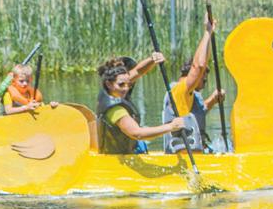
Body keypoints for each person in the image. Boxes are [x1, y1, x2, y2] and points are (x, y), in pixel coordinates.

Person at [162, 18, 225, 154]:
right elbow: (199, 66)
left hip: (198, 154)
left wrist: (213, 100)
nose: (205, 80)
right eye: (203, 77)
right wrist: (207, 31)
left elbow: (196, 114)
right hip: (184, 158)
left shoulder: (190, 94)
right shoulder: (179, 90)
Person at [96, 59, 185, 155]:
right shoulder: (116, 110)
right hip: (117, 159)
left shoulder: (110, 94)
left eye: (129, 85)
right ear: (108, 84)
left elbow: (138, 71)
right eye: (121, 85)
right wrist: (171, 126)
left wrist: (153, 59)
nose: (126, 88)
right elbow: (137, 133)